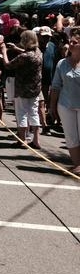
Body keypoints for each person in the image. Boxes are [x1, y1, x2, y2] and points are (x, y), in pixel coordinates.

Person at [0, 29, 43, 148]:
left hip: (22, 88)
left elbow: (8, 65)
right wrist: (16, 48)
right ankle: (36, 140)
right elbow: (29, 54)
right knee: (34, 113)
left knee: (22, 113)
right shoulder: (38, 53)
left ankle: (23, 139)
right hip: (35, 88)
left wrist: (4, 52)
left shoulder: (24, 57)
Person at [49, 27, 80, 175]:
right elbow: (55, 86)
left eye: (75, 42)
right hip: (65, 105)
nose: (71, 44)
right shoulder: (62, 63)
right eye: (70, 41)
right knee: (70, 137)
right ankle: (77, 165)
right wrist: (52, 106)